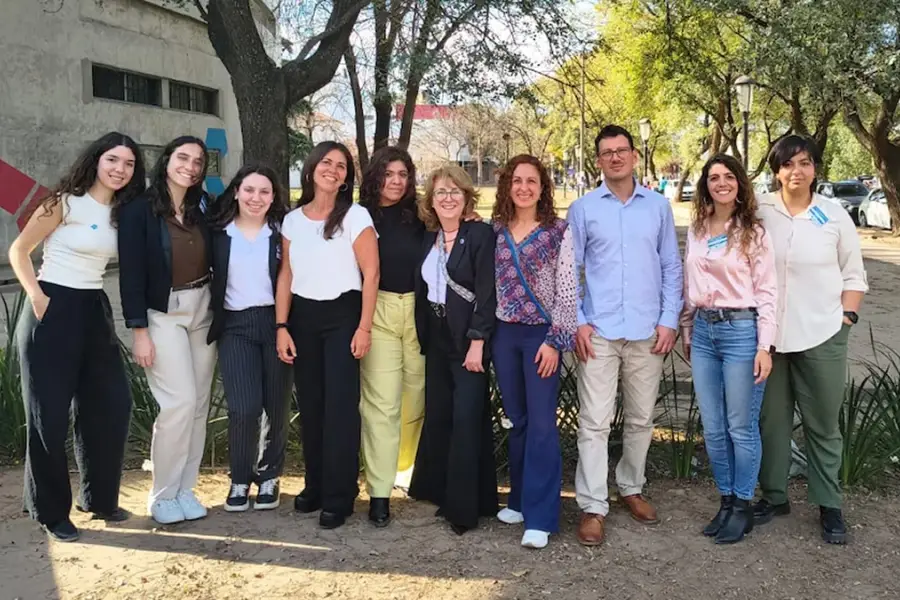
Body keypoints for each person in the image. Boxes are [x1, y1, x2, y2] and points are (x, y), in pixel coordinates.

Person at [9, 132, 145, 542]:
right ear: (96, 160)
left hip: (93, 308)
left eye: (129, 163)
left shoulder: (123, 212)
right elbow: (19, 250)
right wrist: (36, 296)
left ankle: (98, 499)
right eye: (113, 160)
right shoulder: (63, 202)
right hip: (52, 306)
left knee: (111, 404)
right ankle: (50, 512)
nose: (120, 169)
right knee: (48, 416)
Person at [567, 124, 683, 547]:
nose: (615, 157)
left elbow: (670, 265)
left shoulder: (658, 207)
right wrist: (579, 320)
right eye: (607, 152)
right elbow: (570, 269)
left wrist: (669, 319)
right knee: (594, 422)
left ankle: (631, 487)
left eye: (621, 150)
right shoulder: (583, 209)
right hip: (598, 332)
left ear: (634, 156)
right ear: (598, 160)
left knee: (640, 419)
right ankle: (593, 506)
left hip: (647, 331)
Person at [754, 135, 867, 545]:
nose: (796, 172)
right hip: (769, 339)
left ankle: (828, 503)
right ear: (776, 171)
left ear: (815, 168)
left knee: (822, 424)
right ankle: (774, 496)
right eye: (787, 164)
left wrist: (846, 319)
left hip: (822, 334)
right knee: (771, 422)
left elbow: (854, 274)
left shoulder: (834, 215)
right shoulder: (759, 210)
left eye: (804, 163)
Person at [275, 141, 379, 530]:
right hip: (303, 317)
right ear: (311, 167)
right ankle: (315, 485)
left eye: (341, 166)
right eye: (326, 162)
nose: (332, 170)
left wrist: (364, 327)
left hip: (343, 316)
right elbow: (286, 274)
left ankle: (340, 494)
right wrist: (281, 326)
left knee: (340, 408)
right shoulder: (292, 220)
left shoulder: (355, 216)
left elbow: (372, 274)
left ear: (346, 178)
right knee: (312, 406)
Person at [118, 135, 217, 525]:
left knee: (199, 404)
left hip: (203, 306)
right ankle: (162, 494)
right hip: (163, 312)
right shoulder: (138, 210)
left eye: (198, 162)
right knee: (179, 403)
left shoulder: (202, 206)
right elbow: (131, 275)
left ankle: (184, 489)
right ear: (167, 159)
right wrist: (139, 331)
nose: (190, 167)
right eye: (183, 158)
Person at [680, 154, 778, 544]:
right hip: (704, 332)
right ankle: (725, 500)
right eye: (714, 177)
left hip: (741, 332)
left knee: (741, 425)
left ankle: (742, 504)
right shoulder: (698, 228)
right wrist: (687, 328)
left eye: (728, 176)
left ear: (739, 183)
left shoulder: (753, 231)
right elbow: (690, 282)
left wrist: (765, 346)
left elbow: (768, 291)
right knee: (714, 427)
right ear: (706, 185)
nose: (721, 183)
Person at [490, 155, 577, 549]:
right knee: (517, 420)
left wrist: (555, 341)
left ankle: (541, 517)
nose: (524, 188)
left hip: (541, 336)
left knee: (542, 424)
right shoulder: (496, 230)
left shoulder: (558, 231)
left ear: (543, 188)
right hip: (504, 335)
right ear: (507, 186)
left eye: (532, 181)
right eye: (517, 181)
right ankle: (520, 500)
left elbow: (568, 290)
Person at [409, 164, 498, 535]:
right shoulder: (428, 236)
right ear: (431, 200)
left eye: (455, 191)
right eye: (440, 192)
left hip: (467, 340)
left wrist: (478, 342)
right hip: (436, 336)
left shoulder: (479, 234)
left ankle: (464, 508)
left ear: (466, 197)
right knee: (442, 415)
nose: (447, 198)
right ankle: (442, 491)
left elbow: (487, 292)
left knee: (467, 419)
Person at [207, 164, 293, 512]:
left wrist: (285, 326)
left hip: (277, 323)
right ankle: (240, 478)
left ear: (273, 197)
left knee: (276, 405)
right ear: (237, 192)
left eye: (264, 192)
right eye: (249, 190)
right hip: (235, 326)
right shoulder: (218, 232)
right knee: (243, 408)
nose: (256, 198)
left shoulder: (282, 232)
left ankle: (270, 474)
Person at [357, 147, 426, 526]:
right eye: (389, 173)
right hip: (378, 310)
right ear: (376, 176)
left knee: (415, 398)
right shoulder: (360, 216)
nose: (396, 181)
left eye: (403, 174)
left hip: (418, 311)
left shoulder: (421, 214)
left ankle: (403, 466)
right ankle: (379, 491)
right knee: (382, 404)